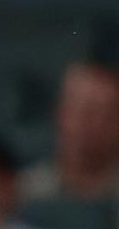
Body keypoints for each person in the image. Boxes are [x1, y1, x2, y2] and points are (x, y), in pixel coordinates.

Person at [20, 61, 119, 204]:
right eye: (83, 111)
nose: (93, 124)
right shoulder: (22, 194)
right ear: (60, 113)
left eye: (105, 114)